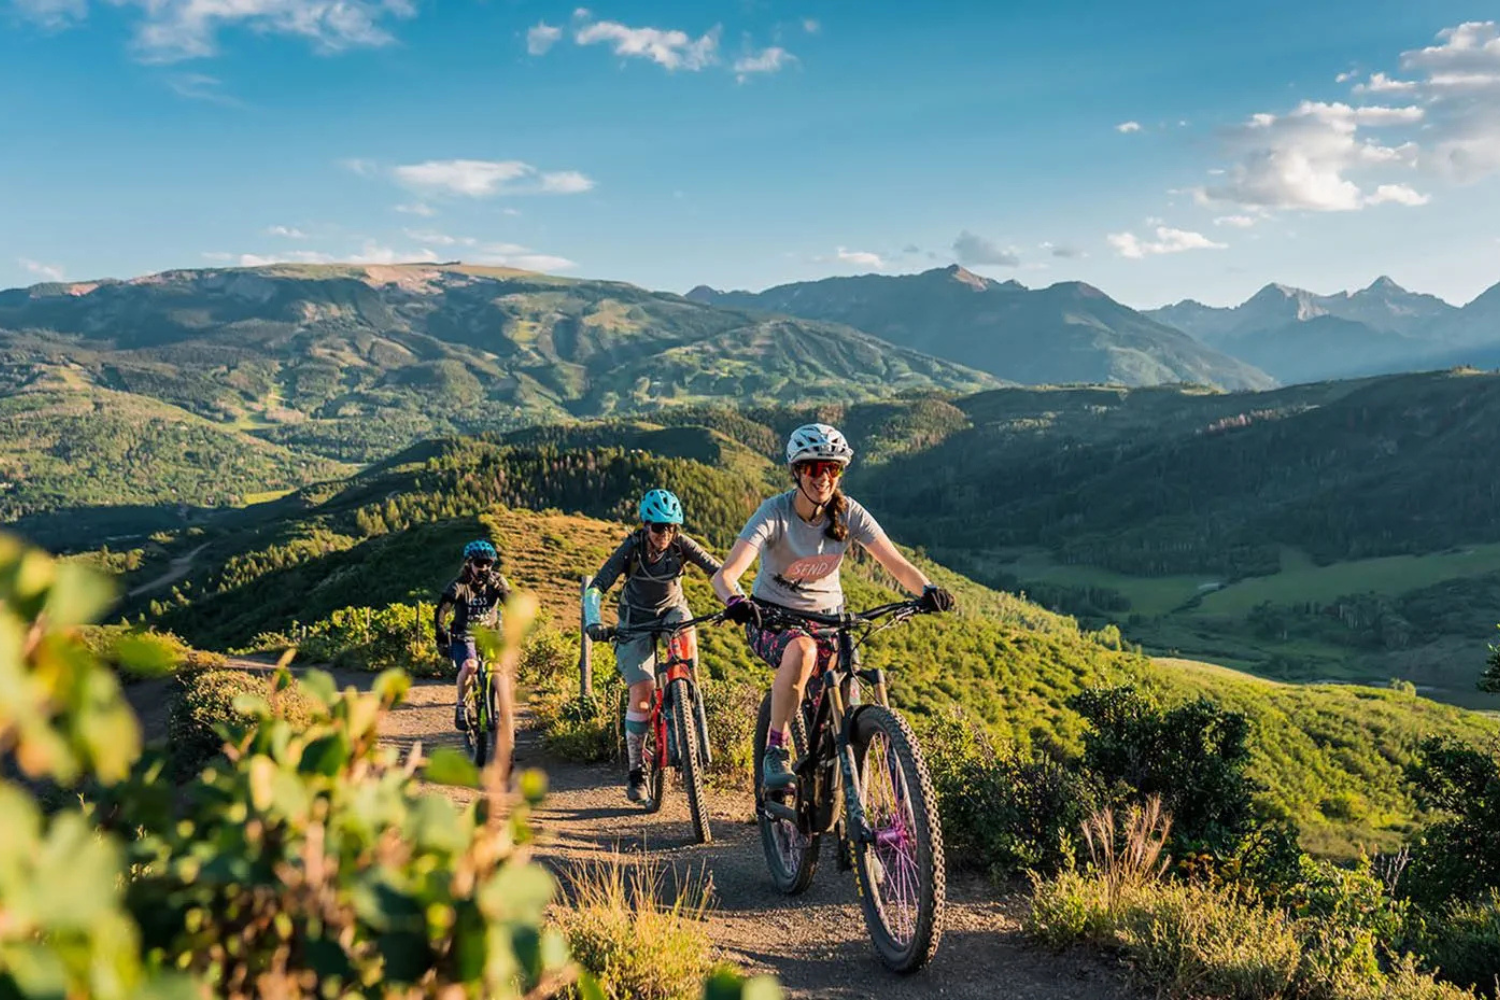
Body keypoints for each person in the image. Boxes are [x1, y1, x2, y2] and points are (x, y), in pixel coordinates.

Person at [710, 423, 955, 789]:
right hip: (772, 620)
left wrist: (929, 589)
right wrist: (736, 601)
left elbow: (896, 562)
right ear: (796, 470)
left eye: (832, 469)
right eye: (813, 467)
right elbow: (725, 575)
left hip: (829, 621)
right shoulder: (774, 513)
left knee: (846, 686)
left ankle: (846, 785)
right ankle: (775, 748)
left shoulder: (847, 513)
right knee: (802, 650)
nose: (823, 477)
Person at [584, 489, 722, 802]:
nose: (665, 534)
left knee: (685, 660)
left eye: (671, 527)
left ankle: (687, 714)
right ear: (646, 525)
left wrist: (740, 601)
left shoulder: (681, 545)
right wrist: (593, 621)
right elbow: (596, 588)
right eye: (659, 527)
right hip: (635, 622)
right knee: (642, 692)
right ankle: (637, 771)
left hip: (673, 613)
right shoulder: (631, 549)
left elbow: (719, 572)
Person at [435, 539, 512, 731]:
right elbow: (442, 610)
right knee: (470, 666)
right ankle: (461, 706)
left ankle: (505, 718)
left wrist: (500, 589)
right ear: (469, 563)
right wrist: (441, 633)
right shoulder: (459, 585)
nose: (484, 567)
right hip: (464, 634)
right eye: (479, 563)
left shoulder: (497, 581)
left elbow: (511, 604)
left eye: (488, 564)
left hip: (491, 633)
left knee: (501, 668)